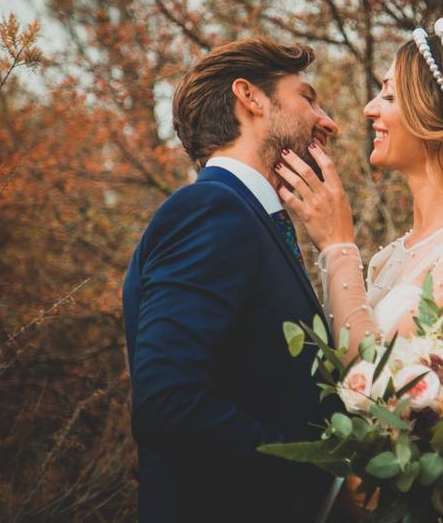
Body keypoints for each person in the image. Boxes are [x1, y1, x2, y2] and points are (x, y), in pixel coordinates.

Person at [121, 38, 339, 522]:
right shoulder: (210, 209)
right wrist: (319, 473)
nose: (328, 122)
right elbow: (166, 404)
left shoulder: (252, 219)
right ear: (251, 97)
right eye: (307, 97)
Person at [275, 18, 443, 365]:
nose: (369, 109)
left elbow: (382, 384)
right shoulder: (388, 259)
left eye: (390, 95)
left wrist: (338, 245)